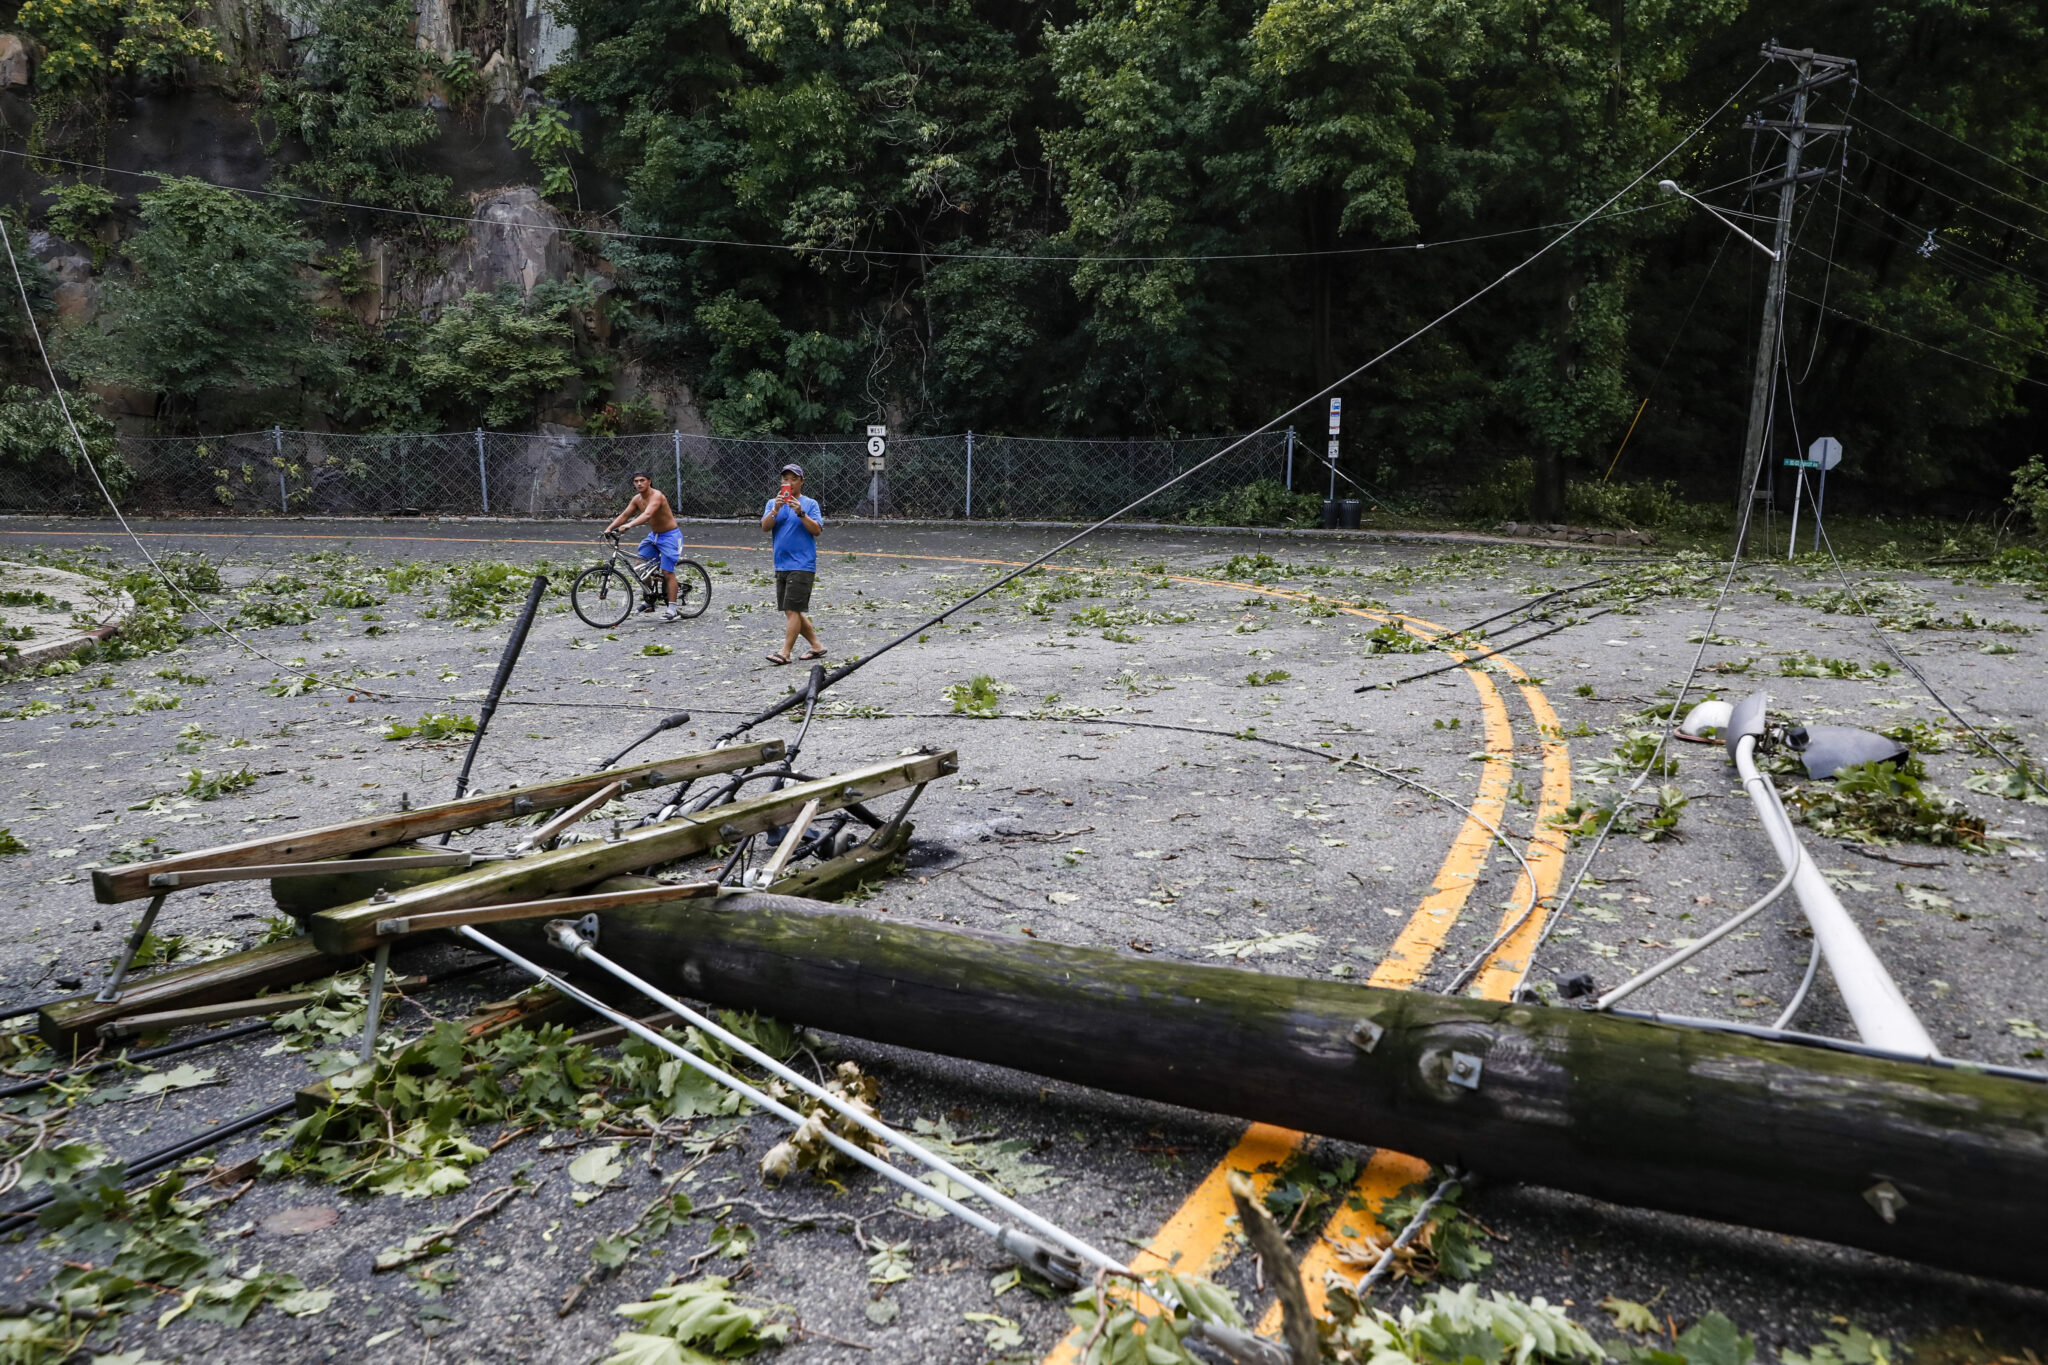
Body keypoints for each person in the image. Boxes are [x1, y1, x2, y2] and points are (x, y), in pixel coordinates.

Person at [760, 462, 825, 665]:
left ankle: (785, 652)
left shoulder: (810, 504)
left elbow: (817, 530)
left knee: (791, 609)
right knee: (792, 610)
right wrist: (776, 509)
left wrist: (801, 512)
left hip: (803, 564)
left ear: (801, 481)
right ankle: (817, 645)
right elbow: (765, 527)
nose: (788, 483)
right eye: (785, 479)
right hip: (781, 564)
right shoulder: (773, 503)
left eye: (793, 479)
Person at [606, 473, 684, 621]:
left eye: (642, 480)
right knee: (640, 566)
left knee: (667, 572)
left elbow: (648, 515)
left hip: (670, 536)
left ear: (649, 481)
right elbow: (624, 515)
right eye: (636, 481)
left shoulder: (657, 496)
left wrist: (629, 525)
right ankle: (650, 600)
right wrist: (609, 529)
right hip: (654, 537)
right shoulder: (637, 499)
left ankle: (673, 609)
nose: (639, 483)